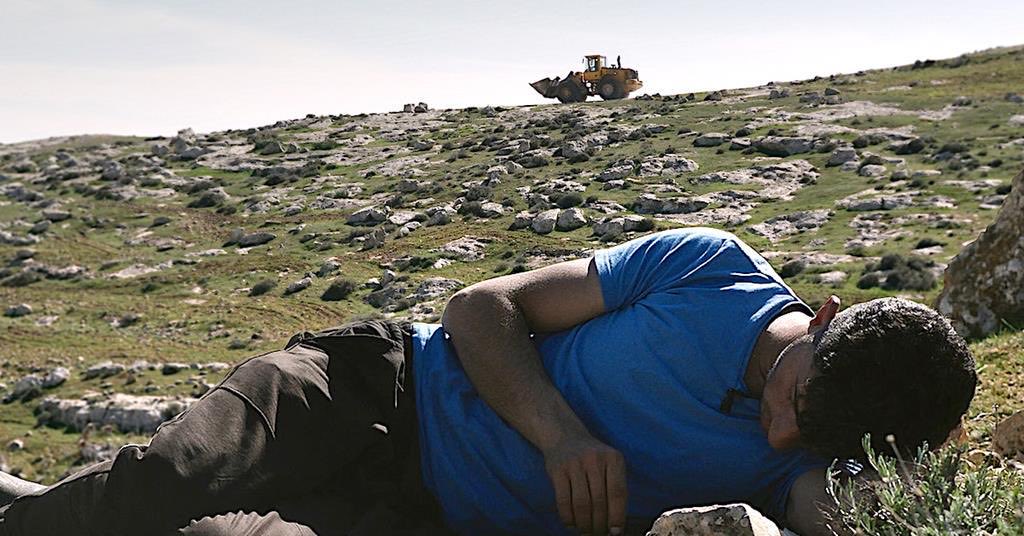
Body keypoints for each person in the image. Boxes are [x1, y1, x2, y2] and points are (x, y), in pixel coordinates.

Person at [0, 227, 977, 536]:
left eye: (814, 437)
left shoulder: (817, 453)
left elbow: (863, 517)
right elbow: (479, 306)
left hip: (426, 512)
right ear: (826, 316)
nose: (781, 438)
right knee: (160, 486)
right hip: (379, 385)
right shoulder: (710, 268)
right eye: (794, 401)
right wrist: (560, 433)